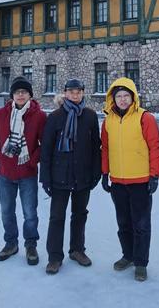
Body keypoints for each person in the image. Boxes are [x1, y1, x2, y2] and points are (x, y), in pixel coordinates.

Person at [101, 77, 159, 282]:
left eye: (127, 95)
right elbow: (106, 148)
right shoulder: (108, 119)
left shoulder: (145, 118)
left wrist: (154, 175)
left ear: (133, 96)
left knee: (141, 224)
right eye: (119, 96)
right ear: (113, 98)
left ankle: (141, 263)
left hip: (141, 180)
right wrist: (104, 173)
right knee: (123, 222)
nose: (123, 99)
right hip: (118, 181)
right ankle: (128, 255)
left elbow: (155, 147)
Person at [40, 79, 101, 275]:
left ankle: (77, 250)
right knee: (57, 217)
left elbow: (95, 147)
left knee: (80, 215)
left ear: (83, 93)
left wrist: (96, 172)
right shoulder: (55, 117)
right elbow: (46, 149)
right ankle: (54, 257)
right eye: (71, 91)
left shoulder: (90, 116)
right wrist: (46, 178)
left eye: (79, 91)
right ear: (65, 93)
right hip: (60, 176)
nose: (75, 94)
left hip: (82, 175)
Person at [0, 76, 47, 265]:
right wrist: (1, 158)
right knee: (7, 211)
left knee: (30, 213)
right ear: (12, 95)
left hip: (27, 173)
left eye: (24, 92)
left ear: (30, 95)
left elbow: (45, 144)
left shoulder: (39, 116)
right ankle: (11, 244)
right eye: (17, 92)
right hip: (5, 173)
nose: (21, 95)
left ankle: (31, 246)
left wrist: (32, 162)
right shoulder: (1, 114)